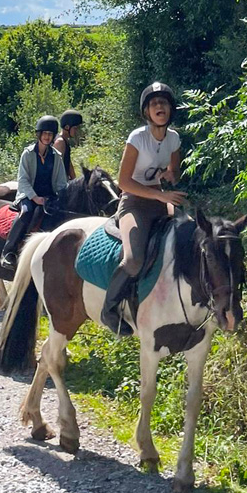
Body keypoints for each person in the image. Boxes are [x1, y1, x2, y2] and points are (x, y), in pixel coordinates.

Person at [101, 82, 185, 336]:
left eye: (164, 103)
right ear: (147, 112)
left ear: (170, 109)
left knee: (188, 236)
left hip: (159, 199)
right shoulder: (137, 138)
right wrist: (161, 195)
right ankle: (109, 309)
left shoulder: (174, 139)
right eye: (154, 104)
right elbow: (123, 181)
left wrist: (170, 176)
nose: (160, 107)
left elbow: (175, 172)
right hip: (134, 201)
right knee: (134, 259)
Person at [0, 115, 68, 269]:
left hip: (49, 197)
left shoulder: (56, 157)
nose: (47, 137)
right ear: (39, 134)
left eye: (50, 134)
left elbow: (61, 182)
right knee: (26, 212)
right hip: (28, 196)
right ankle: (8, 252)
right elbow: (22, 180)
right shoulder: (28, 154)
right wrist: (34, 197)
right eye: (44, 133)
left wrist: (62, 197)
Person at [55, 109, 83, 181]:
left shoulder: (65, 141)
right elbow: (57, 168)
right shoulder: (60, 142)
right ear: (67, 127)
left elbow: (68, 164)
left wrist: (75, 181)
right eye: (75, 128)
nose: (76, 131)